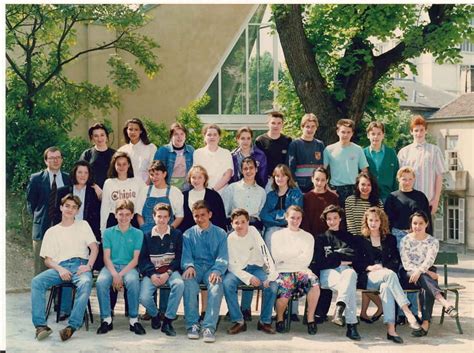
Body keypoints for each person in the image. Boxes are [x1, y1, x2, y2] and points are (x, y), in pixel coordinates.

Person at [31, 194, 98, 342]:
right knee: (37, 282)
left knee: (86, 283)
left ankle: (72, 326)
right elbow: (48, 260)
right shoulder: (52, 231)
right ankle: (40, 326)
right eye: (67, 206)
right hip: (59, 266)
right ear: (61, 207)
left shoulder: (83, 225)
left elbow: (94, 248)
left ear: (77, 211)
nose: (70, 209)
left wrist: (89, 266)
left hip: (80, 265)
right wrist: (60, 269)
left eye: (74, 207)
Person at [355, 207, 422, 344]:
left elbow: (395, 260)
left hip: (386, 276)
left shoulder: (389, 239)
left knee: (387, 286)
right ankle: (407, 311)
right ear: (366, 221)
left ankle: (391, 330)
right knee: (390, 275)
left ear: (382, 222)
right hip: (368, 277)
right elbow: (356, 262)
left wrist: (383, 268)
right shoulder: (360, 239)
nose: (373, 223)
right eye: (371, 220)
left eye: (376, 220)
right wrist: (370, 267)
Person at [400, 212, 459, 336]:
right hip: (409, 275)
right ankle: (444, 302)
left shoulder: (433, 241)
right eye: (415, 223)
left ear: (426, 224)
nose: (417, 226)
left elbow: (429, 260)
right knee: (425, 277)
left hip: (426, 274)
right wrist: (423, 272)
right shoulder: (405, 240)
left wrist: (422, 271)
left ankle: (425, 325)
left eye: (421, 223)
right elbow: (406, 263)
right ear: (411, 224)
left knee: (425, 284)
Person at [223, 209, 278, 335]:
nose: (240, 225)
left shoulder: (253, 231)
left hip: (256, 268)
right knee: (227, 283)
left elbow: (265, 252)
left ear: (248, 222)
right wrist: (248, 278)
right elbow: (231, 265)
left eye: (243, 222)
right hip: (238, 270)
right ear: (232, 224)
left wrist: (271, 274)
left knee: (273, 286)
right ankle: (238, 321)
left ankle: (264, 321)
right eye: (236, 222)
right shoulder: (230, 238)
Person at [96, 200, 146, 335]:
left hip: (129, 267)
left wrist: (120, 274)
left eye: (127, 214)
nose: (123, 218)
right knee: (101, 282)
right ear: (115, 215)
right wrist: (114, 274)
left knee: (133, 281)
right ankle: (106, 319)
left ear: (132, 216)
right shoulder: (108, 232)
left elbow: (135, 259)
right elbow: (106, 257)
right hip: (111, 266)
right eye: (120, 214)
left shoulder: (138, 233)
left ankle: (134, 320)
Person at [181, 200, 228, 343]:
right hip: (195, 267)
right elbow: (186, 255)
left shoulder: (220, 233)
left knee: (216, 286)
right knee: (188, 283)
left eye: (203, 215)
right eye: (196, 216)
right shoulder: (188, 234)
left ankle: (209, 327)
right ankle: (192, 325)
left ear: (210, 214)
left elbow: (223, 256)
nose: (200, 219)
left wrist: (218, 270)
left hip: (212, 267)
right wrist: (188, 266)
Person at [312, 205, 361, 340]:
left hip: (346, 272)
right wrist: (340, 259)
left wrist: (333, 256)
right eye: (329, 219)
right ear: (325, 220)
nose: (332, 221)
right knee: (349, 284)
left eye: (335, 218)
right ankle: (351, 325)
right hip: (327, 274)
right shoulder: (321, 238)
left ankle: (340, 308)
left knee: (350, 275)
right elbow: (319, 262)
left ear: (340, 219)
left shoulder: (349, 237)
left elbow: (354, 257)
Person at [271, 206, 320, 335]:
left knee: (314, 283)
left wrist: (286, 255)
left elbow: (306, 260)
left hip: (302, 270)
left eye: (298, 218)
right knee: (285, 289)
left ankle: (310, 319)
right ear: (286, 217)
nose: (295, 220)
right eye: (292, 217)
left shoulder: (308, 237)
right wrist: (297, 253)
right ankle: (280, 318)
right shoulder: (277, 235)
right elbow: (277, 257)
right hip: (282, 271)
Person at [138, 203, 184, 336]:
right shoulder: (147, 236)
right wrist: (152, 274)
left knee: (179, 284)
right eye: (159, 216)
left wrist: (168, 273)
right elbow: (143, 259)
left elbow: (179, 258)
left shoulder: (176, 234)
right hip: (153, 272)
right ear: (153, 217)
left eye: (165, 217)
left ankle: (168, 321)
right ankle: (155, 315)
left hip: (170, 271)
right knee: (144, 297)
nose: (162, 220)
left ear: (170, 218)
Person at [300, 167, 338, 323]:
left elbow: (336, 219)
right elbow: (305, 219)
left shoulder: (333, 197)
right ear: (312, 179)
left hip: (328, 241)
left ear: (327, 180)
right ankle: (310, 311)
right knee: (313, 277)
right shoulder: (307, 197)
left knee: (326, 275)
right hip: (312, 240)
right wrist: (309, 239)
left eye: (323, 180)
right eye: (317, 179)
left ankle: (322, 312)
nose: (320, 183)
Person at [27, 146, 71, 275]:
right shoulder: (36, 179)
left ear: (62, 160)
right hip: (42, 228)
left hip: (63, 230)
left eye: (58, 157)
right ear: (46, 161)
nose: (55, 161)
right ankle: (39, 295)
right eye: (52, 158)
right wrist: (40, 218)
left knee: (61, 267)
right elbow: (31, 203)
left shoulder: (68, 179)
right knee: (40, 269)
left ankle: (58, 295)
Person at [397, 115, 446, 215]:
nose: (419, 133)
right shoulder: (404, 152)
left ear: (426, 131)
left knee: (425, 230)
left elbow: (439, 176)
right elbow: (399, 178)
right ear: (411, 132)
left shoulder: (434, 151)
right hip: (407, 200)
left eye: (421, 130)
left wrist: (436, 200)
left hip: (427, 201)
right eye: (416, 130)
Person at [323, 119, 369, 205]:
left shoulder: (358, 149)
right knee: (336, 217)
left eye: (348, 132)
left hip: (354, 188)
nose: (345, 135)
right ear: (337, 132)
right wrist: (328, 189)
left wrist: (361, 188)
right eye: (343, 132)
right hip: (335, 189)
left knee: (353, 217)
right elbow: (322, 171)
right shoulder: (329, 149)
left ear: (352, 133)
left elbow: (364, 171)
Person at [385, 166, 433, 248]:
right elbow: (387, 220)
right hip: (398, 235)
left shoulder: (420, 196)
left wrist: (429, 237)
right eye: (404, 179)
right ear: (398, 179)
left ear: (414, 179)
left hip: (418, 234)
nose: (407, 182)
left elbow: (427, 218)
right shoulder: (392, 197)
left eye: (410, 179)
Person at [260, 164, 303, 251]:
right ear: (274, 178)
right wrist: (283, 216)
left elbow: (295, 215)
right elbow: (263, 215)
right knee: (271, 233)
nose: (280, 178)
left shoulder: (296, 194)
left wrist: (275, 215)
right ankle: (271, 264)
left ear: (288, 177)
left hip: (290, 227)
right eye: (277, 176)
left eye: (283, 175)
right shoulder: (270, 195)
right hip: (272, 228)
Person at [100, 151, 145, 233]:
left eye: (124, 164)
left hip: (133, 221)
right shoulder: (109, 183)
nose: (122, 167)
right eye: (118, 164)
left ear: (129, 165)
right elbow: (104, 208)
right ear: (114, 165)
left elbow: (144, 203)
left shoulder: (138, 182)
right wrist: (103, 231)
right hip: (114, 221)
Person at [137, 160, 184, 234]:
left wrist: (169, 230)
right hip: (147, 233)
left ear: (164, 174)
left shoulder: (174, 192)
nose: (154, 177)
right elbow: (139, 214)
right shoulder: (144, 191)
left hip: (167, 234)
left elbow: (179, 216)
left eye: (157, 174)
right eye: (152, 174)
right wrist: (144, 229)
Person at [223, 157, 266, 232]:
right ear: (241, 171)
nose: (248, 171)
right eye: (245, 169)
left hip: (254, 228)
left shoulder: (261, 192)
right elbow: (224, 212)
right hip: (235, 227)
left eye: (251, 168)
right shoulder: (232, 188)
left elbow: (261, 215)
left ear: (256, 170)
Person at [179, 165, 227, 232]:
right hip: (189, 237)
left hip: (211, 235)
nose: (196, 180)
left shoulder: (214, 196)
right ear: (189, 179)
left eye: (200, 177)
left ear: (205, 178)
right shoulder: (183, 196)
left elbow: (221, 219)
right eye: (193, 177)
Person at [287, 113, 325, 193]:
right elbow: (291, 166)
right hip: (300, 185)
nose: (310, 130)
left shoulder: (320, 144)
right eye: (307, 126)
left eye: (313, 127)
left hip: (316, 185)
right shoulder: (295, 144)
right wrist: (295, 184)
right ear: (302, 127)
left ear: (316, 128)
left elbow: (322, 166)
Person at [255, 111, 292, 191]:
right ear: (268, 124)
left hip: (283, 180)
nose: (276, 126)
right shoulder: (260, 141)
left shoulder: (287, 140)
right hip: (266, 181)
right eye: (273, 123)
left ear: (282, 124)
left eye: (279, 123)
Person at [363, 121, 399, 202]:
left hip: (388, 197)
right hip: (368, 197)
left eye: (379, 134)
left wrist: (395, 196)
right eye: (373, 134)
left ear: (383, 135)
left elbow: (396, 176)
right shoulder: (363, 153)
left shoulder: (391, 153)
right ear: (368, 135)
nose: (376, 137)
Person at [193, 124, 233, 194]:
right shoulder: (198, 153)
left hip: (222, 193)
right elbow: (196, 174)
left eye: (215, 134)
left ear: (219, 137)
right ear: (204, 137)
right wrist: (205, 191)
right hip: (203, 192)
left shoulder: (226, 153)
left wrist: (213, 190)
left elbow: (228, 175)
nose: (212, 137)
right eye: (209, 135)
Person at [154, 122, 194, 191]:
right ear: (171, 136)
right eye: (176, 134)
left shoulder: (191, 150)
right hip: (168, 189)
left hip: (186, 189)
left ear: (185, 136)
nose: (179, 137)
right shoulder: (163, 150)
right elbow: (155, 172)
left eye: (182, 134)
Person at [118, 118, 157, 183]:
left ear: (141, 131)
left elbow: (153, 169)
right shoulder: (122, 150)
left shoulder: (151, 148)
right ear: (126, 131)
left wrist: (146, 186)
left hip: (145, 186)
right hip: (127, 188)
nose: (133, 132)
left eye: (136, 129)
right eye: (130, 129)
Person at [345, 172, 384, 237]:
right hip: (356, 240)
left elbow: (381, 223)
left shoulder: (378, 202)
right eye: (363, 184)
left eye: (369, 185)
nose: (365, 187)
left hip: (373, 239)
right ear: (358, 185)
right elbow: (350, 225)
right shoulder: (350, 201)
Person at [80, 122, 116, 189]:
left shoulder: (115, 154)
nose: (99, 138)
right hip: (91, 192)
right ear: (92, 138)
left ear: (106, 136)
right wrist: (95, 187)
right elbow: (81, 174)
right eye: (96, 136)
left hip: (112, 192)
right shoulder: (87, 154)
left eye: (102, 135)